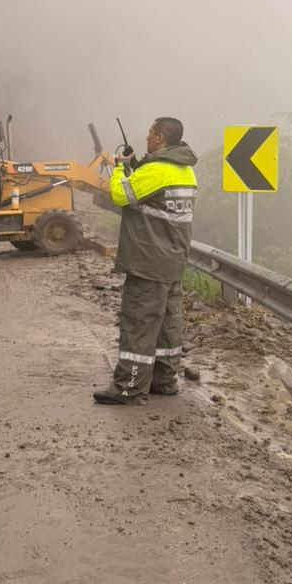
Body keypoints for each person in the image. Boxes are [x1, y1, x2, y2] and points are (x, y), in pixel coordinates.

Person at [93, 117, 198, 406]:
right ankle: (164, 381)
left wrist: (118, 167)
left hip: (149, 261)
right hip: (173, 260)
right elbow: (153, 200)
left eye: (151, 134)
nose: (147, 139)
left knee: (139, 322)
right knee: (167, 324)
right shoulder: (186, 171)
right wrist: (136, 166)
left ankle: (128, 387)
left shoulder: (158, 170)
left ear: (161, 136)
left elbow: (120, 194)